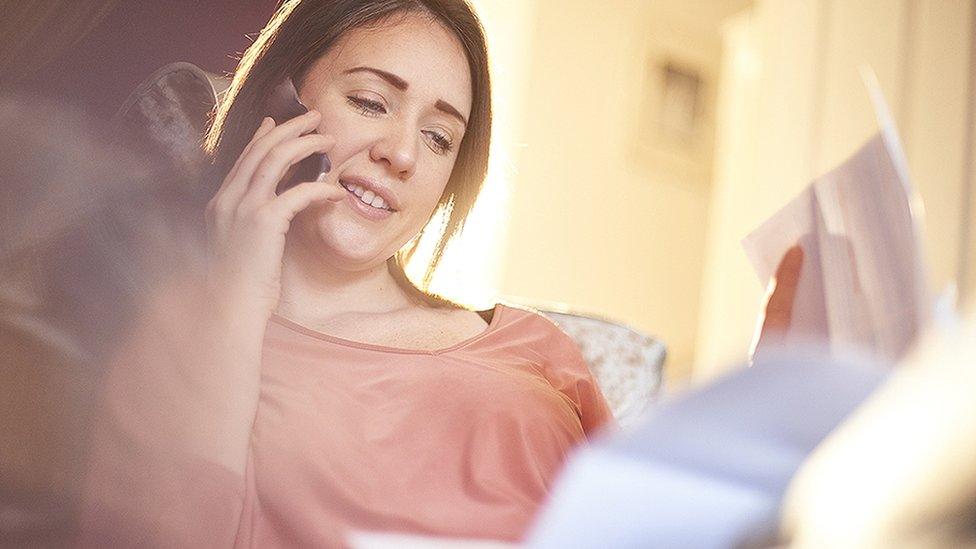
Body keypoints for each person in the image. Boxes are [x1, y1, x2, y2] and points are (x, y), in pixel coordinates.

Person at [75, 1, 615, 547]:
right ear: (280, 101)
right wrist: (236, 298)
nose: (402, 154)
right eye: (370, 102)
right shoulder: (174, 336)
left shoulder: (537, 348)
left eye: (438, 138)